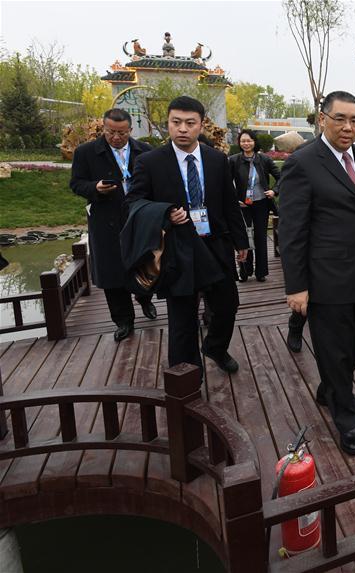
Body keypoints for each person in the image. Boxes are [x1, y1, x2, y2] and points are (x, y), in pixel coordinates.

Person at [279, 90, 355, 456]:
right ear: (322, 119)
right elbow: (291, 230)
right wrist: (296, 286)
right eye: (340, 119)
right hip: (327, 277)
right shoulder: (302, 163)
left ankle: (330, 388)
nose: (348, 128)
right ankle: (345, 417)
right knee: (333, 349)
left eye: (354, 121)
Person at [126, 96, 249, 373]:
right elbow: (133, 203)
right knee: (182, 316)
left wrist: (242, 241)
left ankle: (215, 347)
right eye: (176, 122)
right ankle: (186, 373)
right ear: (167, 124)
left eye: (190, 123)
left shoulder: (218, 160)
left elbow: (230, 204)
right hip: (177, 247)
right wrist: (164, 213)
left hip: (215, 243)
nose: (182, 129)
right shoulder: (150, 162)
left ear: (201, 125)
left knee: (227, 305)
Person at [70, 108, 156, 342]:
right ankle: (123, 320)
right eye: (110, 132)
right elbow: (76, 183)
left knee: (144, 264)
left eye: (122, 133)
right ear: (103, 129)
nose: (116, 137)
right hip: (105, 219)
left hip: (138, 218)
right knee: (112, 272)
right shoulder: (86, 152)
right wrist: (94, 188)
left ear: (130, 130)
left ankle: (145, 300)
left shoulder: (145, 151)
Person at [228, 129, 281, 282]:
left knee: (260, 237)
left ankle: (261, 272)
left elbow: (282, 177)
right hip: (242, 206)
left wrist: (274, 190)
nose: (246, 143)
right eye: (243, 141)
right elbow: (225, 182)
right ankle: (244, 272)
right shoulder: (233, 160)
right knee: (243, 237)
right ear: (239, 143)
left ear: (254, 142)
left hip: (261, 204)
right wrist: (233, 199)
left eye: (249, 140)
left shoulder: (264, 159)